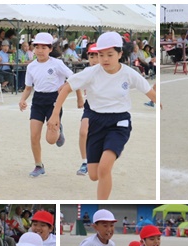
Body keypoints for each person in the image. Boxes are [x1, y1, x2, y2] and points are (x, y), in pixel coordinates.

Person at [47, 31, 155, 200]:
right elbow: (67, 87)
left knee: (104, 169)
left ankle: (102, 206)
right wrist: (55, 115)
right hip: (96, 121)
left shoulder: (129, 73)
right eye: (101, 55)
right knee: (94, 175)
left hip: (119, 122)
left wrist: (160, 102)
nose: (105, 59)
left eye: (110, 55)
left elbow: (149, 92)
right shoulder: (92, 72)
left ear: (120, 54)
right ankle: (108, 154)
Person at [18, 32, 83, 178]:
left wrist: (79, 98)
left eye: (44, 47)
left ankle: (58, 129)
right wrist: (22, 100)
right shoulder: (31, 66)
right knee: (34, 136)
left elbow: (74, 79)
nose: (40, 50)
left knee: (51, 140)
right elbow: (28, 88)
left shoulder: (56, 64)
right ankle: (38, 165)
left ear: (50, 49)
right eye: (37, 47)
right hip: (38, 101)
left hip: (54, 101)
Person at [76, 43, 99, 176]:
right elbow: (74, 82)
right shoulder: (86, 72)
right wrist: (80, 98)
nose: (94, 60)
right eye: (91, 56)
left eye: (97, 56)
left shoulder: (108, 71)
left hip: (105, 109)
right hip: (89, 107)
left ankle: (97, 160)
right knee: (83, 132)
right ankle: (85, 162)